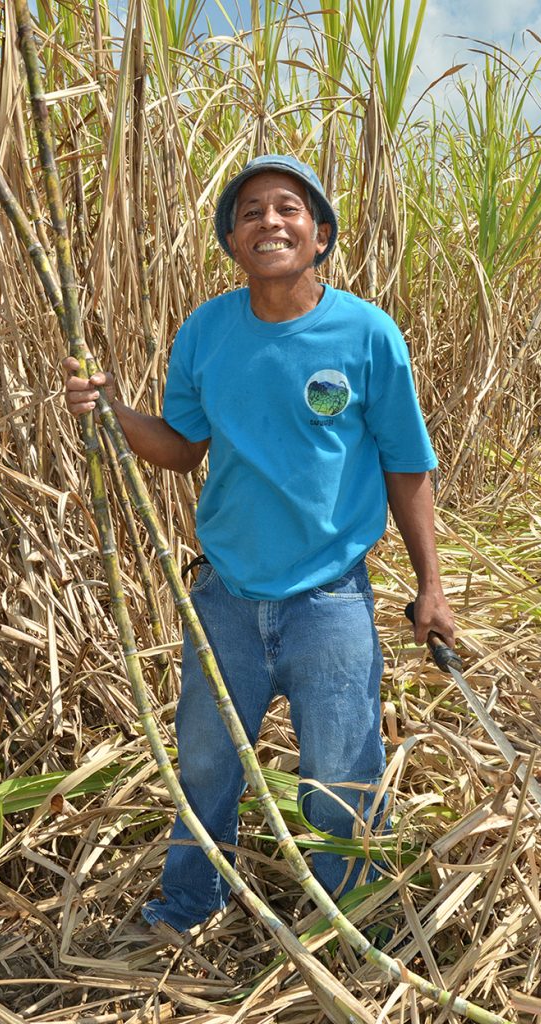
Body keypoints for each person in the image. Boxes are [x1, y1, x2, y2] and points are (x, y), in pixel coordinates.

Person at [64, 154, 455, 935]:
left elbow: (406, 465)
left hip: (330, 601)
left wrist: (432, 586)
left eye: (287, 209)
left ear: (319, 236)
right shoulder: (206, 332)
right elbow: (180, 448)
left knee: (339, 777)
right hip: (225, 598)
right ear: (233, 242)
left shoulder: (366, 334)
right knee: (207, 767)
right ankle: (188, 906)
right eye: (249, 212)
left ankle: (347, 920)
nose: (268, 221)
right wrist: (113, 410)